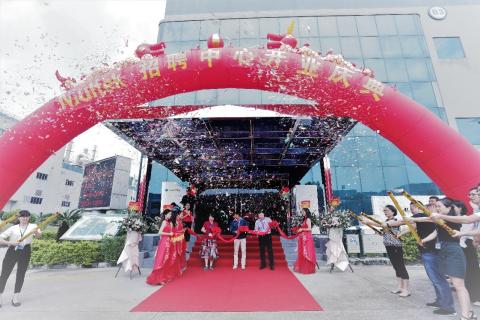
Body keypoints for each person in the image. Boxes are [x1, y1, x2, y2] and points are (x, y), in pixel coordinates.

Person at [413, 198, 476, 320]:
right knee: (456, 284)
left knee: (459, 286)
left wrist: (438, 216)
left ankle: (465, 316)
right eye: (436, 206)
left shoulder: (453, 220)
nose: (437, 208)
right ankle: (470, 312)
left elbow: (463, 220)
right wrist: (412, 221)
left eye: (439, 206)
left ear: (449, 208)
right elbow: (427, 221)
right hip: (443, 251)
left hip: (453, 252)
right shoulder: (439, 220)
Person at [398, 202, 455, 314]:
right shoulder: (427, 218)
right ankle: (440, 301)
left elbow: (404, 221)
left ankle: (448, 307)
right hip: (428, 250)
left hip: (431, 251)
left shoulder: (422, 216)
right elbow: (413, 226)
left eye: (413, 208)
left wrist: (403, 220)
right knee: (435, 279)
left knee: (438, 279)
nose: (412, 210)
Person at [361, 205, 410, 297]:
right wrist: (380, 233)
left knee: (400, 267)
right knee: (396, 267)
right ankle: (400, 287)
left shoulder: (395, 221)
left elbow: (380, 224)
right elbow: (384, 232)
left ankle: (406, 289)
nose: (385, 212)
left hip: (396, 246)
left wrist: (368, 222)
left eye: (387, 211)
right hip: (388, 245)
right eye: (384, 211)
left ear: (392, 212)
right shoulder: (387, 221)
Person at [0, 210, 41, 307]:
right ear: (19, 218)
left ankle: (15, 298)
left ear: (29, 217)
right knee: (4, 274)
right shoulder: (13, 228)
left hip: (25, 251)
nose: (25, 218)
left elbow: (39, 236)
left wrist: (36, 233)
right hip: (12, 250)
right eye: (22, 216)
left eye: (27, 216)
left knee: (21, 274)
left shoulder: (33, 226)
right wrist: (10, 243)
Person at [146, 209, 182, 285]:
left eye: (171, 214)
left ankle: (162, 277)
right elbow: (160, 232)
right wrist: (170, 234)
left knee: (166, 260)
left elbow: (172, 232)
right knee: (162, 259)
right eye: (169, 214)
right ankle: (158, 278)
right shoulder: (164, 222)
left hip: (169, 242)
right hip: (164, 242)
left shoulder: (169, 223)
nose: (170, 215)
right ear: (165, 214)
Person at [293, 208, 317, 274]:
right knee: (302, 252)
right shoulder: (305, 219)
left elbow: (309, 228)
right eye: (302, 211)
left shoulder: (308, 219)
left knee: (307, 252)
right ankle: (303, 267)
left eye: (303, 211)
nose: (302, 212)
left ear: (306, 212)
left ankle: (308, 268)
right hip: (303, 237)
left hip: (307, 238)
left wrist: (301, 229)